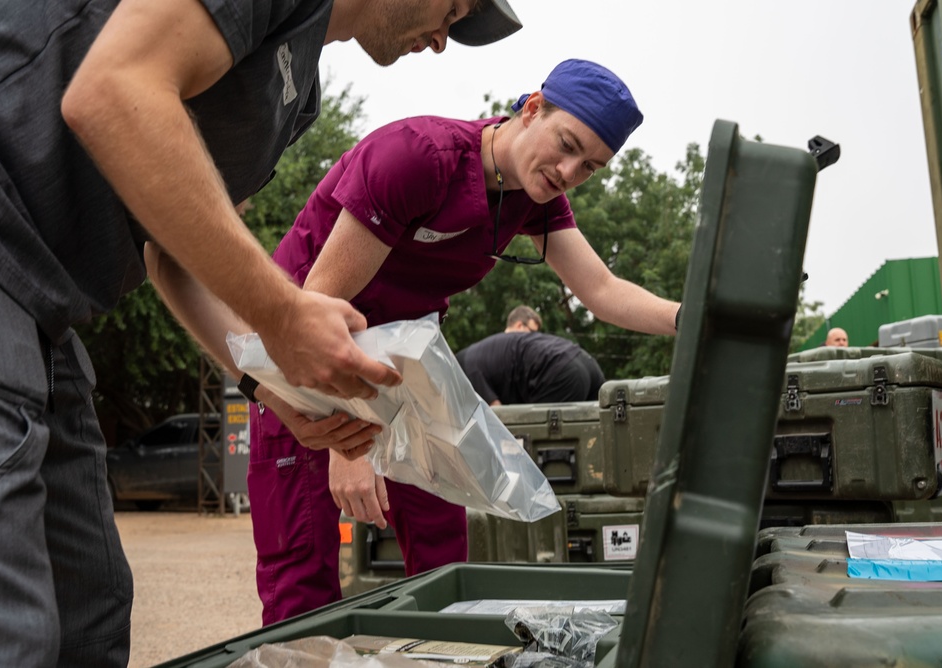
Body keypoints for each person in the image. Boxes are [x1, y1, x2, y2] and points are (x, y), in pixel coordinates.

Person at [0, 0, 521, 664]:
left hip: (52, 308)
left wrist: (275, 394)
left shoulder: (296, 95)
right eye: (453, 7)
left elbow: (169, 254)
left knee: (92, 617)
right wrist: (282, 311)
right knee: (15, 631)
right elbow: (114, 90)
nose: (445, 40)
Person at [218, 58, 683, 625]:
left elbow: (603, 290)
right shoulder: (417, 157)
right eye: (566, 144)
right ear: (532, 107)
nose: (568, 170)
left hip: (402, 368)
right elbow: (318, 309)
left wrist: (692, 316)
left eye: (590, 167)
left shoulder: (533, 201)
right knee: (303, 581)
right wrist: (345, 445)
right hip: (305, 369)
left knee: (443, 539)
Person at [457, 306, 607, 405]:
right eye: (533, 332)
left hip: (561, 371)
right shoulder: (471, 361)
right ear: (519, 326)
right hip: (587, 361)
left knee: (541, 441)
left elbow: (496, 416)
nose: (535, 338)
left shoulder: (472, 360)